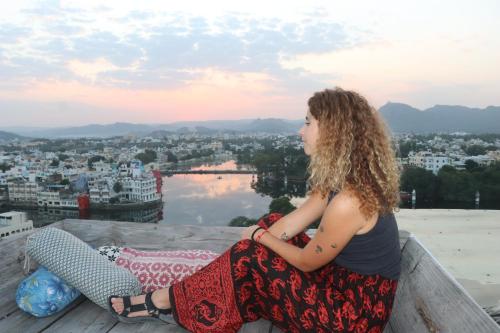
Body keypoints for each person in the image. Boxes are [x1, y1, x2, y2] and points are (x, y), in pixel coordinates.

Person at [109, 87, 402, 333]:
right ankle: (192, 293)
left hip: (353, 318)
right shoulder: (338, 183)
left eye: (308, 123)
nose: (300, 131)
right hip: (340, 285)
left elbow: (306, 263)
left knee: (256, 248)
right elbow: (287, 225)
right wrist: (248, 249)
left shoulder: (349, 201)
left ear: (333, 131)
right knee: (268, 227)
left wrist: (258, 241)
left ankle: (164, 300)